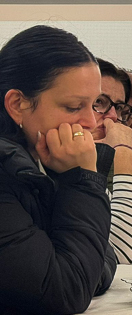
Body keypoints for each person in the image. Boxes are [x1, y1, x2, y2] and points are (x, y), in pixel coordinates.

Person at [0, 25, 116, 314]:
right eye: (74, 106)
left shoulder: (36, 163)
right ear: (17, 104)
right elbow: (65, 291)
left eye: (94, 104)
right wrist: (81, 181)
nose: (91, 121)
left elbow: (98, 262)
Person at [91, 59, 132, 263]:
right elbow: (118, 254)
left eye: (119, 107)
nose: (113, 117)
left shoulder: (82, 162)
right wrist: (125, 152)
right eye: (99, 102)